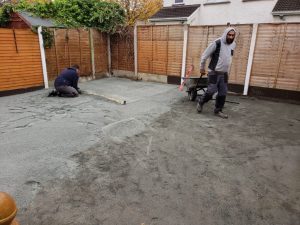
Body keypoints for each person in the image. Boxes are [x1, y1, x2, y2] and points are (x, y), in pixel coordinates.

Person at [196, 27, 237, 119]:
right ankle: (201, 102)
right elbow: (204, 56)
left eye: (232, 35)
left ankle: (218, 110)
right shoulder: (217, 43)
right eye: (229, 35)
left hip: (224, 73)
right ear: (225, 34)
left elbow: (228, 57)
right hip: (214, 72)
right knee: (211, 91)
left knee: (223, 92)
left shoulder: (233, 44)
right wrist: (202, 68)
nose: (231, 37)